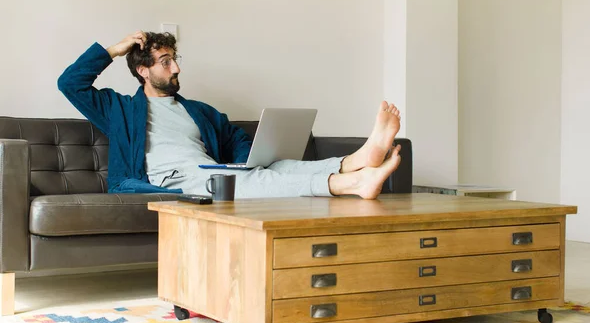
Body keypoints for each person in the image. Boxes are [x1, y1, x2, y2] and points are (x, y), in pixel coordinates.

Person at [58, 31, 402, 199]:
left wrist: (247, 161)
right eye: (166, 62)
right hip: (170, 182)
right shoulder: (119, 110)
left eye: (175, 59)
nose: (176, 67)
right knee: (245, 182)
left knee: (274, 168)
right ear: (144, 71)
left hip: (208, 172)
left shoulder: (198, 111)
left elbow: (237, 139)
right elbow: (69, 83)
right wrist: (115, 50)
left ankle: (356, 160)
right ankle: (352, 183)